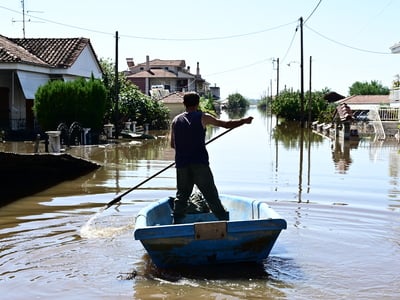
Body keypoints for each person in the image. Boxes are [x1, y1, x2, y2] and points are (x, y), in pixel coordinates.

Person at [170, 92, 253, 223]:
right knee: (211, 195)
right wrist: (243, 121)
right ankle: (224, 223)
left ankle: (176, 224)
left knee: (181, 197)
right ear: (198, 104)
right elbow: (226, 124)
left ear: (184, 104)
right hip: (199, 164)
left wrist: (186, 148)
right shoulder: (203, 117)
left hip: (182, 164)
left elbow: (173, 145)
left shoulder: (175, 121)